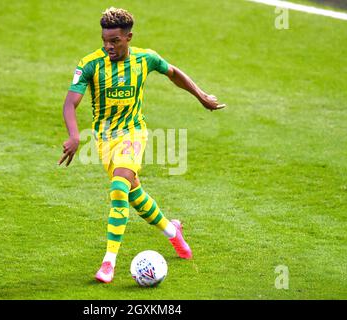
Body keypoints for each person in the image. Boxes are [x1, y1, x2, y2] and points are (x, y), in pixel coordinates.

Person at [59, 7, 226, 283]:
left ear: (129, 37)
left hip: (134, 133)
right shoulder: (90, 64)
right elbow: (70, 103)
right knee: (135, 195)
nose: (108, 46)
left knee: (118, 189)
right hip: (105, 140)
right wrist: (75, 135)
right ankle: (173, 232)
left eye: (114, 41)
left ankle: (108, 263)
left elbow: (173, 72)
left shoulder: (145, 59)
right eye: (104, 40)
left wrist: (201, 95)